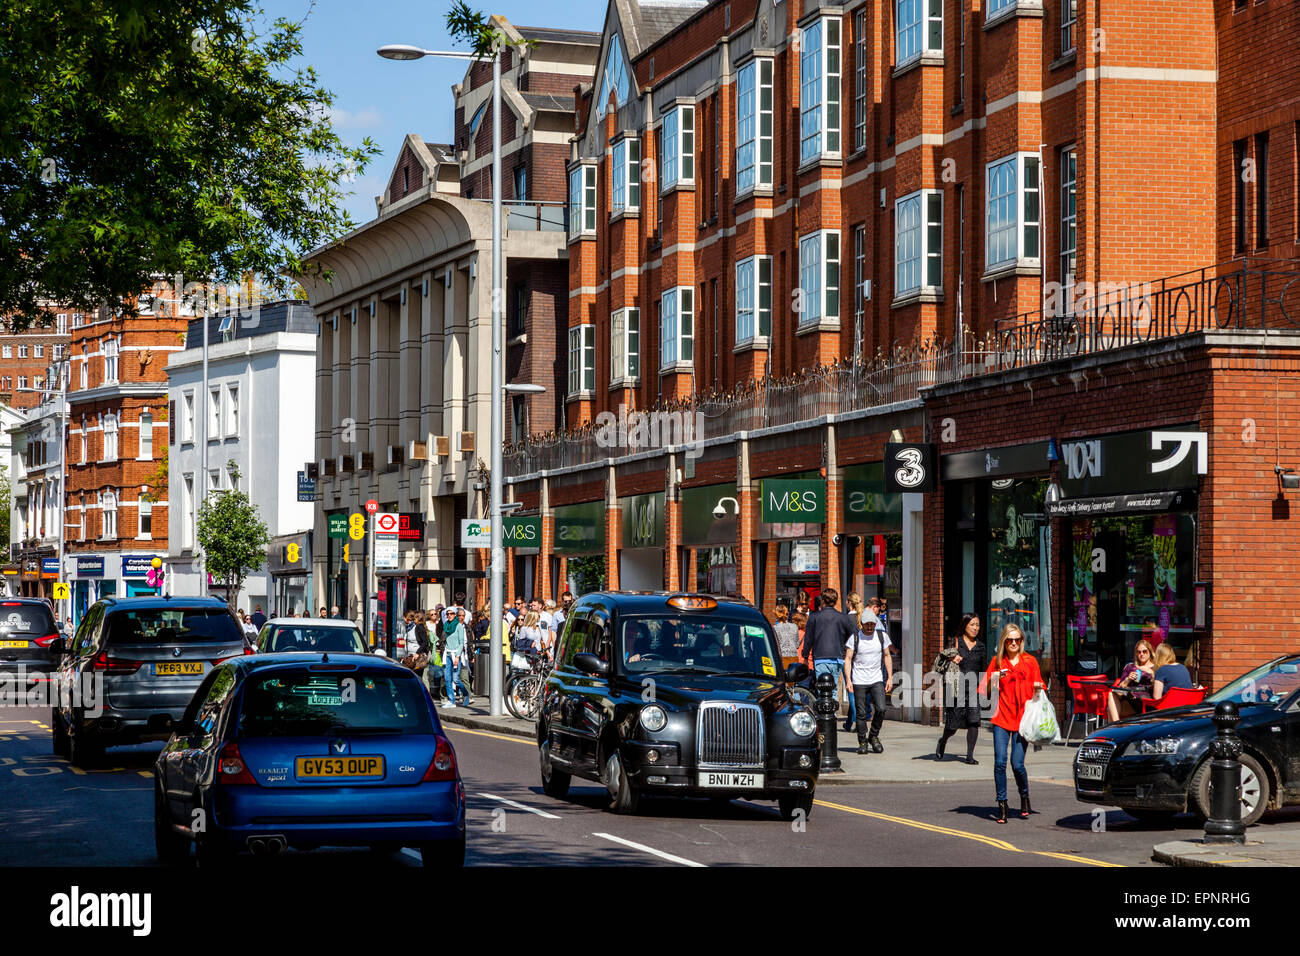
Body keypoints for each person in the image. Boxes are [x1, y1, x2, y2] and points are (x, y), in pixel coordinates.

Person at [979, 623, 1045, 824]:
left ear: (1022, 641)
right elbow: (985, 692)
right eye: (1010, 640)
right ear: (1004, 642)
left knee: (1017, 764)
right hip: (1001, 717)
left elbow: (1040, 686)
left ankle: (1024, 797)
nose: (1014, 643)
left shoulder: (1030, 661)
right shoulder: (997, 662)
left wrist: (1037, 688)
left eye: (1017, 640)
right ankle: (1002, 804)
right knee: (1000, 762)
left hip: (1023, 720)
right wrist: (995, 679)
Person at [937, 613, 986, 764]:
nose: (975, 628)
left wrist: (984, 688)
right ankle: (943, 740)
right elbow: (941, 659)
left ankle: (969, 756)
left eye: (977, 625)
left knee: (974, 722)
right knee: (953, 725)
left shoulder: (981, 647)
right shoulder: (955, 642)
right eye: (972, 624)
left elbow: (984, 669)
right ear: (965, 626)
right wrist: (952, 658)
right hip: (956, 689)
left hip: (972, 689)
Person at [844, 607, 893, 754]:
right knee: (860, 712)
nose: (870, 627)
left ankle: (873, 736)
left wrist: (890, 677)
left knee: (881, 708)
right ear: (862, 624)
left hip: (876, 678)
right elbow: (847, 659)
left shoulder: (881, 636)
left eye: (872, 624)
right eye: (867, 624)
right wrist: (848, 680)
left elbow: (887, 656)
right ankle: (862, 741)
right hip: (859, 679)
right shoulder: (855, 638)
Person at [799, 587, 855, 709]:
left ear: (822, 601)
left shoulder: (814, 617)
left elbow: (808, 639)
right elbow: (852, 636)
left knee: (822, 690)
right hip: (837, 657)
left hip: (820, 657)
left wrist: (804, 655)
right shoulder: (843, 617)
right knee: (832, 690)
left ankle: (824, 717)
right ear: (836, 601)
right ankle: (831, 717)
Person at [1106, 639, 1156, 721]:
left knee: (1110, 710)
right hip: (1129, 698)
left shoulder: (1155, 668)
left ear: (1150, 652)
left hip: (1144, 701)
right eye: (1138, 652)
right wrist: (1128, 679)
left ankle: (1114, 730)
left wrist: (1152, 674)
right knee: (1111, 694)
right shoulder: (1130, 667)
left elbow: (1158, 687)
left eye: (1144, 651)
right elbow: (1120, 689)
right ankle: (1116, 727)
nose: (1141, 654)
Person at [843, 592, 866, 733]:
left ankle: (859, 721)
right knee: (858, 690)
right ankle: (848, 722)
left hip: (849, 657)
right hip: (862, 657)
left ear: (849, 603)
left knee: (852, 691)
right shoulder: (862, 618)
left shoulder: (846, 619)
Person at [441, 604, 471, 708]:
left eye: (451, 613)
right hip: (447, 654)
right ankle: (451, 700)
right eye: (447, 614)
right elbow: (444, 640)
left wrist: (458, 656)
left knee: (456, 679)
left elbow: (461, 643)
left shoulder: (458, 626)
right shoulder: (446, 626)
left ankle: (466, 694)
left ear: (455, 615)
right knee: (447, 679)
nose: (449, 615)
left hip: (456, 654)